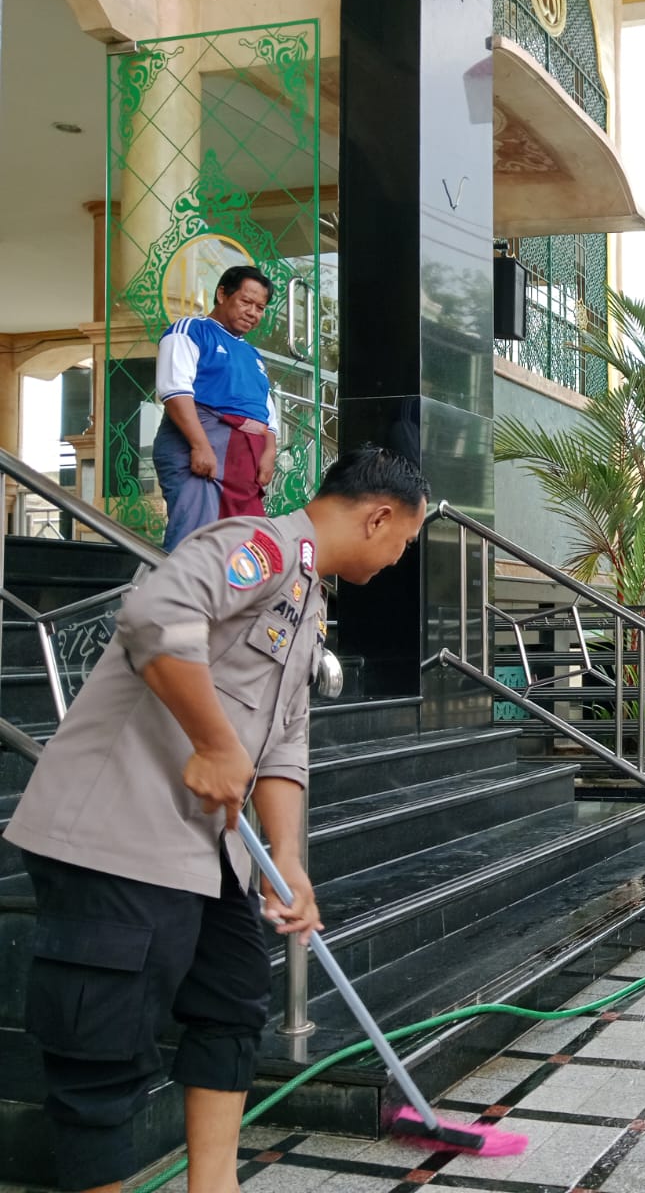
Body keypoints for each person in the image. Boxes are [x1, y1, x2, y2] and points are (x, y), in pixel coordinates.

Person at [2, 445, 430, 1193]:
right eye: (405, 542)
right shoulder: (256, 546)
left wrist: (287, 857)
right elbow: (157, 615)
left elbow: (285, 742)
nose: (400, 558)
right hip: (120, 837)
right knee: (101, 1051)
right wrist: (212, 741)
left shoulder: (309, 601)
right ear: (379, 518)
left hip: (211, 854)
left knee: (231, 1010)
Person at [153, 265, 282, 551]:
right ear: (222, 294)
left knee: (244, 547)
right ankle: (169, 583)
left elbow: (267, 413)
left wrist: (269, 452)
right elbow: (175, 391)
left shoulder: (252, 355)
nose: (253, 313)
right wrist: (200, 445)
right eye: (246, 302)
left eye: (260, 308)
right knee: (196, 541)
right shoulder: (190, 330)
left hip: (244, 461)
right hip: (202, 447)